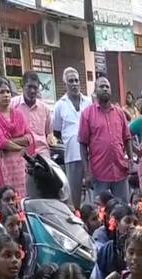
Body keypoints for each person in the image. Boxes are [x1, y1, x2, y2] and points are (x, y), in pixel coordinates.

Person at [78, 77, 133, 202]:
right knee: (101, 212)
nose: (105, 89)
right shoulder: (87, 114)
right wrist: (87, 172)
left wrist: (130, 160)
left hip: (120, 171)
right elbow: (82, 144)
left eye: (107, 87)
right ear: (95, 91)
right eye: (101, 86)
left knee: (123, 209)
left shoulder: (119, 113)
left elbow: (127, 138)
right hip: (99, 173)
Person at [0, 76, 33, 200]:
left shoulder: (18, 114)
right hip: (1, 165)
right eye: (1, 92)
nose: (6, 95)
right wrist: (20, 147)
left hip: (20, 166)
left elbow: (29, 138)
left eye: (8, 92)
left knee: (21, 200)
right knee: (5, 203)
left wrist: (9, 143)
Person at [52, 67, 92, 208]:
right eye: (71, 81)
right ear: (65, 84)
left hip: (91, 155)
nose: (74, 84)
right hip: (71, 156)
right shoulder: (59, 105)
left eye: (76, 80)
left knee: (93, 195)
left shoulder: (89, 102)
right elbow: (56, 131)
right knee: (73, 196)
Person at [10, 71, 52, 160]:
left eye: (35, 88)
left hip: (42, 155)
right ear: (23, 86)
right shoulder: (12, 106)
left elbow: (49, 133)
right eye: (29, 87)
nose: (32, 91)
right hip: (20, 154)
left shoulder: (45, 109)